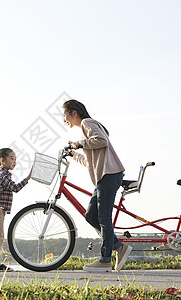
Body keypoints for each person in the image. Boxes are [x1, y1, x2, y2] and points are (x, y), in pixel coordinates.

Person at [62, 99, 132, 273]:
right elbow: (90, 161)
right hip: (103, 177)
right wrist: (74, 154)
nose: (65, 120)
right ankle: (118, 247)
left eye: (65, 115)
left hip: (109, 175)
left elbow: (102, 140)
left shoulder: (87, 122)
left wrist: (80, 144)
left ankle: (105, 260)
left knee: (104, 217)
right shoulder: (85, 130)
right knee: (91, 216)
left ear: (74, 113)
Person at [0, 148, 32, 272]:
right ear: (2, 160)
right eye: (12, 158)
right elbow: (14, 188)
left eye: (16, 159)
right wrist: (28, 178)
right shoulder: (2, 174)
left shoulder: (3, 173)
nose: (14, 161)